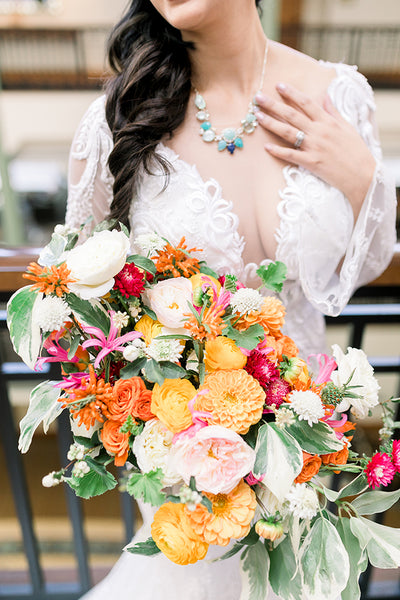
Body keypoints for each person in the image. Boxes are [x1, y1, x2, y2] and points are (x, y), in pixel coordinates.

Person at [65, 1, 397, 598]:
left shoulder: (338, 95)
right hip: (189, 462)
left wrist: (363, 178)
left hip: (311, 458)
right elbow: (85, 302)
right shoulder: (120, 118)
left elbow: (368, 263)